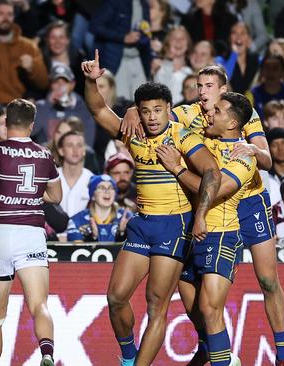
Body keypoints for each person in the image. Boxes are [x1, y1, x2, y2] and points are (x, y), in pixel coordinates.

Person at [126, 65, 284, 365]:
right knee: (196, 301)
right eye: (199, 86)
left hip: (247, 201)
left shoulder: (241, 114)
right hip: (201, 209)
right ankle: (211, 348)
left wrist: (253, 152)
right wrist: (132, 111)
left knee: (266, 280)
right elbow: (157, 112)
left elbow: (265, 160)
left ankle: (282, 353)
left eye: (208, 86)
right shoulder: (191, 113)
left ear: (224, 89)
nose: (202, 92)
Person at [83, 50, 220, 366]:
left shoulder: (182, 137)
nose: (153, 117)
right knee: (116, 298)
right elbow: (97, 108)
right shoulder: (134, 133)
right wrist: (92, 81)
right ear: (140, 113)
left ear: (169, 109)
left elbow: (211, 172)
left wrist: (197, 210)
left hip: (174, 226)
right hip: (143, 224)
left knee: (156, 305)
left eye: (158, 110)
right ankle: (129, 358)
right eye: (146, 111)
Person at [156, 92, 258, 366]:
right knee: (197, 315)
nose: (210, 113)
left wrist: (177, 168)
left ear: (232, 123)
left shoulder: (245, 159)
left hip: (221, 235)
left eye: (218, 111)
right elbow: (167, 119)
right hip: (188, 235)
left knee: (210, 308)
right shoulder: (199, 141)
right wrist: (132, 112)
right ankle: (218, 358)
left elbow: (214, 191)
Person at [0, 98, 62, 366]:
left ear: (5, 122)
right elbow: (56, 195)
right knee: (40, 305)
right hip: (32, 232)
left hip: (2, 233)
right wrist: (29, 197)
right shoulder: (44, 154)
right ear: (32, 125)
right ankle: (47, 353)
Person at [89, 0, 152, 101]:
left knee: (144, 100)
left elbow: (146, 33)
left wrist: (150, 59)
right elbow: (95, 26)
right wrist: (123, 37)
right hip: (117, 59)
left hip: (137, 58)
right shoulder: (115, 2)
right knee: (120, 102)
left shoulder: (144, 5)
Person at [33, 62, 97, 145]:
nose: (60, 86)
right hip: (45, 156)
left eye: (65, 82)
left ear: (72, 85)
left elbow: (87, 146)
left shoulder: (83, 110)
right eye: (56, 82)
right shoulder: (40, 107)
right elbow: (31, 132)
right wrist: (48, 105)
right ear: (50, 84)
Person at [246, 55, 284, 135]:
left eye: (275, 68)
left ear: (283, 72)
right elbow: (245, 125)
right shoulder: (252, 94)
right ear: (261, 72)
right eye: (267, 68)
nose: (271, 73)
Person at [66, 174, 132, 242]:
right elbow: (78, 250)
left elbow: (137, 248)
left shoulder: (127, 218)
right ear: (93, 195)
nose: (107, 191)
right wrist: (92, 238)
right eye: (101, 188)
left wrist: (123, 234)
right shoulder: (77, 220)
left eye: (111, 188)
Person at [56, 130, 94, 217]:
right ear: (61, 151)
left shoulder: (92, 179)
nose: (75, 150)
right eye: (70, 145)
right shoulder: (51, 177)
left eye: (79, 145)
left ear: (84, 150)